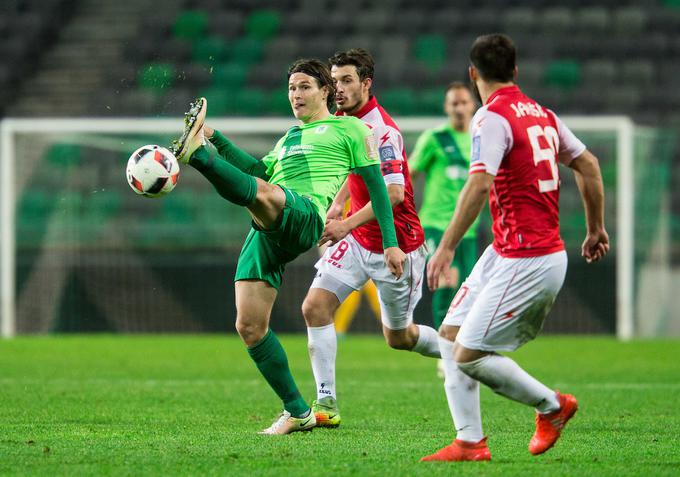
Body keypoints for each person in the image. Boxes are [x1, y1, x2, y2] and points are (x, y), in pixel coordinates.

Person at [170, 58, 406, 435]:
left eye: (304, 87)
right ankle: (297, 411)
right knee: (249, 325)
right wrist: (214, 135)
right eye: (292, 88)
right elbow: (257, 173)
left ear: (326, 91)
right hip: (268, 224)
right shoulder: (289, 138)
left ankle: (194, 157)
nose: (295, 95)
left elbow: (378, 187)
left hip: (305, 215)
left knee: (264, 195)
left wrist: (391, 244)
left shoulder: (350, 128)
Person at [420, 34, 609, 462]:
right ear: (516, 72)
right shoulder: (542, 114)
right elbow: (589, 165)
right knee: (449, 337)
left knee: (468, 355)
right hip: (508, 251)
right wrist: (595, 228)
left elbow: (480, 182)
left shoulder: (490, 118)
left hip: (529, 258)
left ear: (473, 76)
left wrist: (445, 247)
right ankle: (469, 442)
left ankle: (553, 407)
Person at [301, 48, 440, 428]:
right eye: (335, 81)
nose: (338, 89)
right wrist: (338, 205)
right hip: (360, 240)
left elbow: (393, 194)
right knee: (315, 307)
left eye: (347, 81)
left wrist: (343, 224)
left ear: (366, 83)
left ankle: (459, 351)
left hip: (399, 246)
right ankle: (325, 402)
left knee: (399, 337)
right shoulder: (344, 121)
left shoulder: (383, 129)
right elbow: (356, 170)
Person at [409, 82, 480, 372]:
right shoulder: (435, 138)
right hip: (437, 226)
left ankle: (457, 345)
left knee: (467, 289)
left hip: (469, 229)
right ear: (446, 107)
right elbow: (410, 173)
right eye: (454, 103)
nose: (459, 108)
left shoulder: (480, 138)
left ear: (472, 106)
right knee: (446, 283)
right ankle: (446, 352)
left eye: (463, 103)